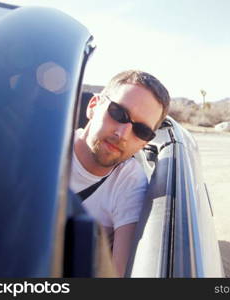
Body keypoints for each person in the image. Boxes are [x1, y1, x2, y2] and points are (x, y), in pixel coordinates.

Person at [70, 70, 170, 276]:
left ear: (145, 142)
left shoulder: (130, 184)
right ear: (93, 106)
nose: (122, 134)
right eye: (118, 113)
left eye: (141, 131)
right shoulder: (45, 149)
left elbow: (118, 274)